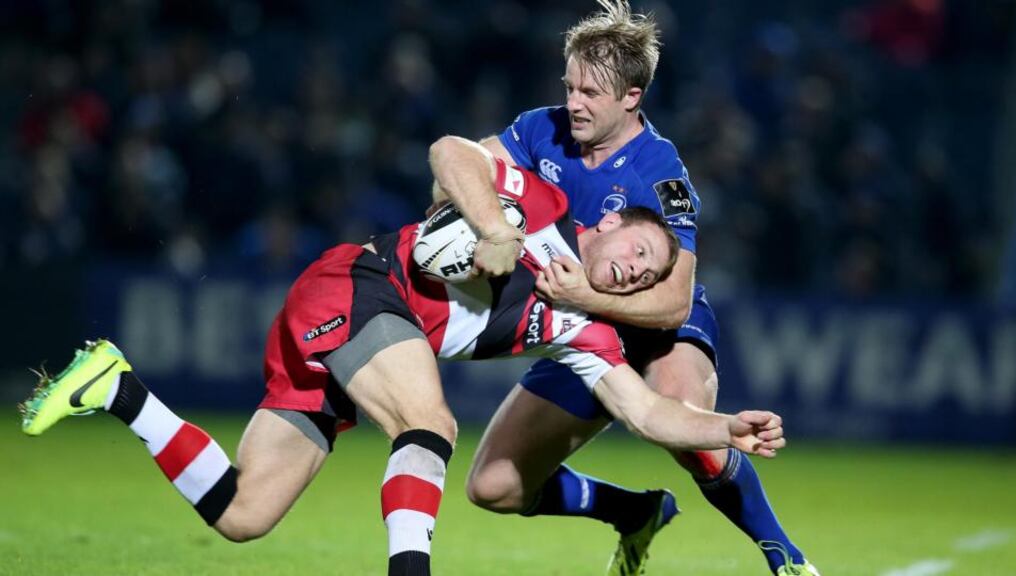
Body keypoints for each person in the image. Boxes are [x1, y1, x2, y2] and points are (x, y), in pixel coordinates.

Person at [19, 135, 787, 576]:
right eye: (640, 249)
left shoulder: (583, 331)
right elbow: (451, 150)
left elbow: (649, 410)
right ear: (609, 227)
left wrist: (728, 430)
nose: (638, 270)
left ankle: (116, 388)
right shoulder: (544, 210)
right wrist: (494, 227)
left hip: (347, 338)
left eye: (651, 273)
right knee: (431, 425)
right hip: (355, 285)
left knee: (243, 514)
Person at [462, 2, 818, 575]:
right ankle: (633, 513)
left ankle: (785, 557)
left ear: (632, 96)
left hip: (657, 326)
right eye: (570, 86)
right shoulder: (539, 128)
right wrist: (473, 218)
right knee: (494, 486)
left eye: (591, 94)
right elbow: (470, 167)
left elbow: (673, 301)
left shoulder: (660, 173)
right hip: (585, 325)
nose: (573, 103)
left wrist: (580, 297)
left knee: (683, 424)